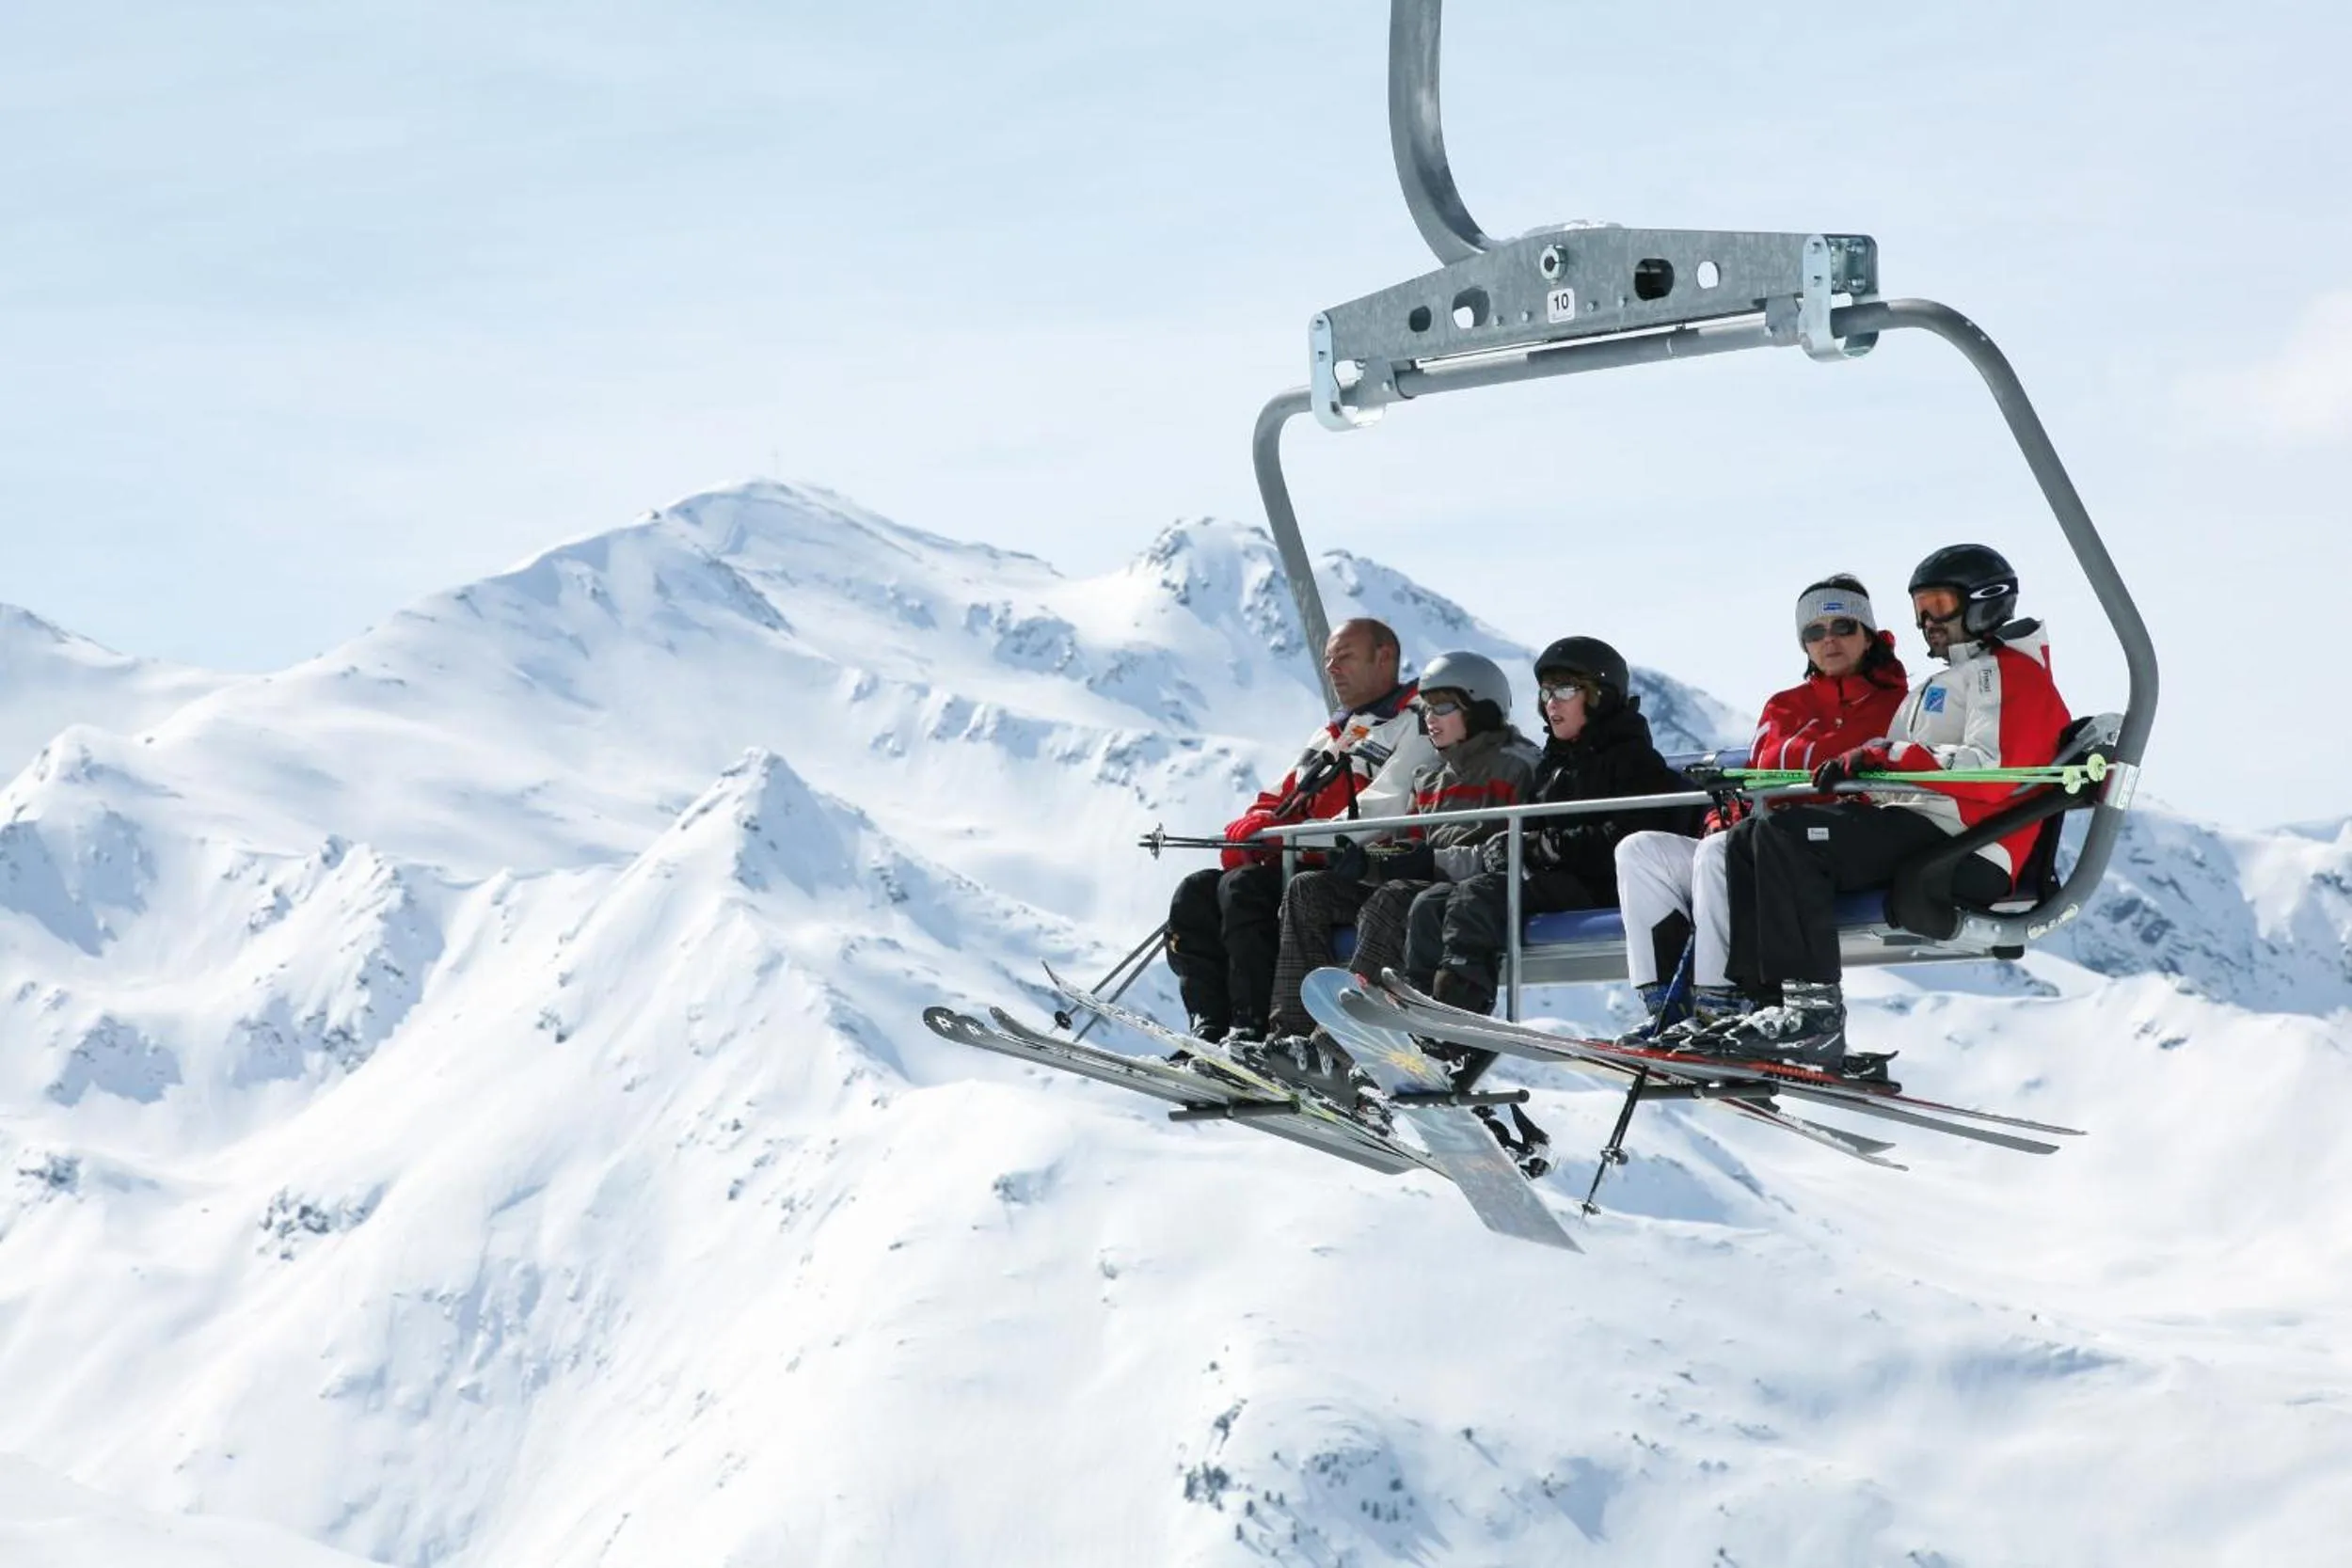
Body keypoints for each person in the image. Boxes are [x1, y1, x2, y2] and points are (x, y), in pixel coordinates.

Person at [1702, 544, 2073, 1066]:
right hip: (1917, 825)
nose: (1927, 621)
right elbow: (1898, 772)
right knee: (1747, 839)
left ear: (1987, 601)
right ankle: (1765, 1007)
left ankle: (1814, 1017)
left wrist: (1886, 754)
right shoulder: (1945, 680)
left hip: (1968, 842)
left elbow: (1991, 773)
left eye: (1940, 604)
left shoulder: (2010, 673)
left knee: (1788, 837)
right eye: (1920, 607)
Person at [1613, 575, 1910, 1037]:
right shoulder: (1784, 706)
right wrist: (1720, 817)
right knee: (1640, 851)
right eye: (1815, 632)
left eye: (1843, 626)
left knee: (1719, 854)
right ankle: (1667, 1007)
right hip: (1756, 842)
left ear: (1868, 634)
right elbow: (1751, 780)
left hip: (1822, 851)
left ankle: (1720, 1010)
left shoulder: (1900, 705)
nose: (1829, 640)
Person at [1165, 617, 1433, 1042]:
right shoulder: (1339, 731)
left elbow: (1382, 808)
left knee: (1244, 890)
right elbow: (1280, 794)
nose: (1332, 668)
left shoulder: (1416, 722)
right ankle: (1209, 1023)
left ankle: (1252, 1024)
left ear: (1384, 658)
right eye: (1328, 660)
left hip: (1353, 870)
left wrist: (1290, 837)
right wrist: (1258, 828)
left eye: (1344, 657)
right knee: (1196, 891)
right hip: (1296, 859)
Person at [1411, 637, 1701, 1021]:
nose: (1552, 701)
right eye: (1546, 691)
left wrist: (1545, 847)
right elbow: (1533, 826)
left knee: (1476, 897)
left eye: (1565, 689)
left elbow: (1627, 836)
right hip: (1556, 880)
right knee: (1431, 903)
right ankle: (1414, 1013)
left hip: (1598, 884)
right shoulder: (1555, 762)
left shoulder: (1631, 758)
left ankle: (1455, 1023)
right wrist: (1513, 844)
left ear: (1600, 696)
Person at [1263, 651, 1539, 1040]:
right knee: (1307, 891)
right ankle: (1291, 1033)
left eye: (1443, 707)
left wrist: (1423, 862)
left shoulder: (1518, 766)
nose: (1430, 717)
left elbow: (1510, 853)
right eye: (1426, 708)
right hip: (1423, 883)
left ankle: (1349, 1038)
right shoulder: (1429, 777)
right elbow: (1407, 850)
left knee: (1394, 897)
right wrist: (1369, 862)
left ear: (1481, 708)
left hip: (1467, 894)